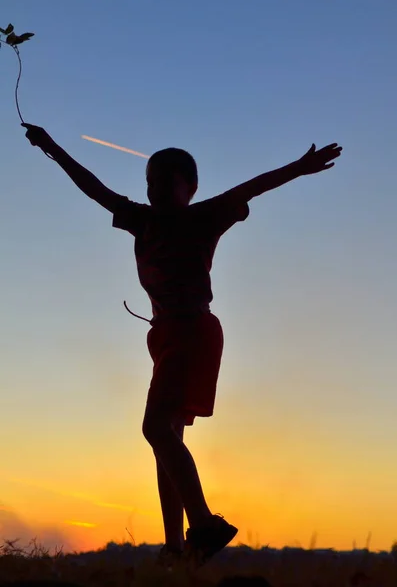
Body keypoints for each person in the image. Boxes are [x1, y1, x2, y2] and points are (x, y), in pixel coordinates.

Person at [22, 122, 342, 569]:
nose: (153, 190)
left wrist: (300, 167)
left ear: (189, 187)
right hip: (166, 337)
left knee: (156, 430)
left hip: (193, 333)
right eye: (149, 182)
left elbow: (254, 186)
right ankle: (175, 548)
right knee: (166, 438)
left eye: (163, 182)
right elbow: (93, 188)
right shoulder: (142, 219)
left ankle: (205, 526)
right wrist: (50, 146)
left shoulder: (204, 215)